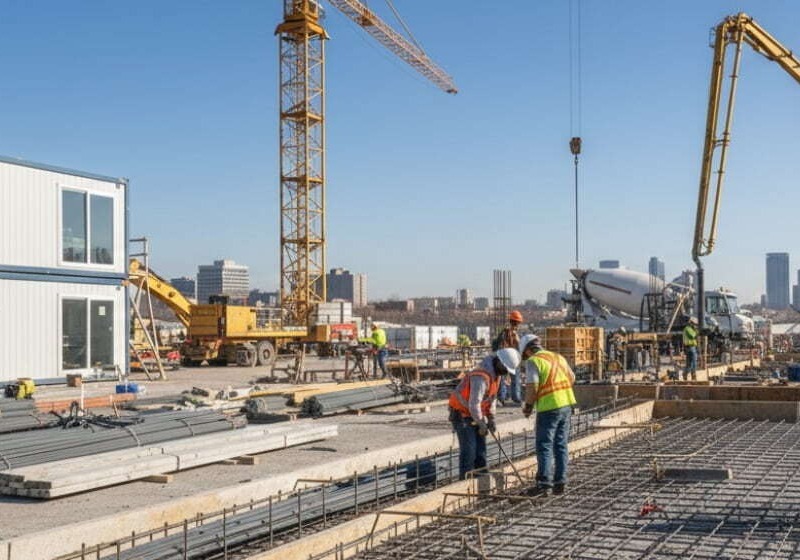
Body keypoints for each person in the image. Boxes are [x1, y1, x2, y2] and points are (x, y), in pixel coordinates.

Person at [448, 347, 521, 480]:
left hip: (475, 413)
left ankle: (482, 479)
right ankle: (465, 482)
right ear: (499, 362)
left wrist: (491, 418)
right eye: (505, 369)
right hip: (462, 413)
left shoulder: (495, 375)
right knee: (469, 449)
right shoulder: (480, 376)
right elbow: (473, 403)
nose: (505, 373)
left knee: (481, 450)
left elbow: (491, 398)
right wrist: (482, 424)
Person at [519, 334, 577, 497]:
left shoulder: (534, 361)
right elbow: (572, 377)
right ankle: (560, 483)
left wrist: (528, 407)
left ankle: (544, 484)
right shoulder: (558, 357)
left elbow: (532, 387)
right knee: (560, 444)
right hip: (566, 404)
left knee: (544, 445)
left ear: (528, 350)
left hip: (549, 407)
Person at [492, 310, 524, 405]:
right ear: (517, 322)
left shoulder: (504, 332)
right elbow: (518, 346)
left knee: (501, 378)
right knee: (515, 378)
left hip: (503, 358)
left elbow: (498, 346)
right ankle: (516, 398)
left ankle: (502, 397)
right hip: (512, 358)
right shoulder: (512, 333)